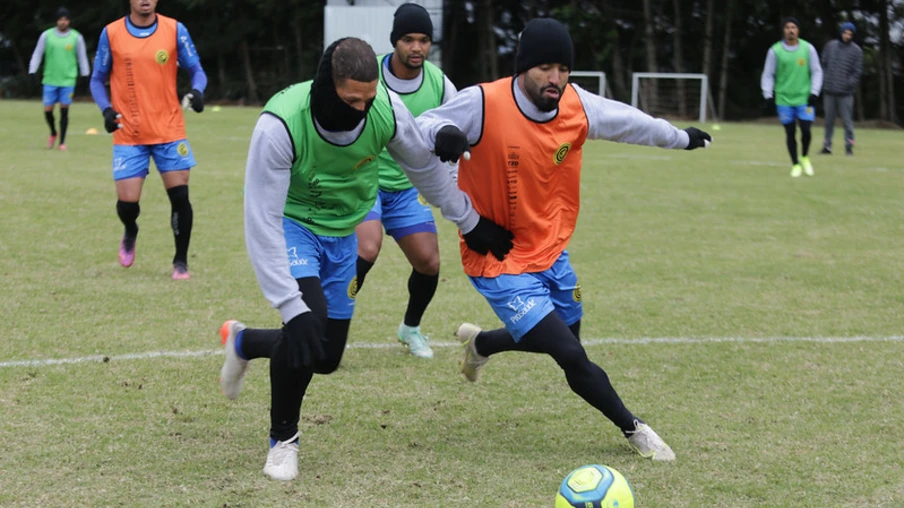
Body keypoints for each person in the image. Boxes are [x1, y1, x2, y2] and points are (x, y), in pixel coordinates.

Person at [415, 18, 713, 462]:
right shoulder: (483, 102)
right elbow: (421, 125)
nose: (555, 78)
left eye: (562, 68)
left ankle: (482, 344)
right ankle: (635, 429)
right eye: (544, 68)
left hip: (552, 251)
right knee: (570, 353)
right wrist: (442, 134)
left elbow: (632, 122)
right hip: (497, 257)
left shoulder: (577, 105)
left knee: (557, 336)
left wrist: (681, 138)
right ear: (522, 68)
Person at [217, 37, 511, 481]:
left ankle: (243, 342)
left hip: (345, 231)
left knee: (327, 356)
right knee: (306, 323)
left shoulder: (383, 108)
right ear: (326, 86)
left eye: (367, 99)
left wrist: (468, 221)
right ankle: (283, 440)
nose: (360, 109)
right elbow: (261, 220)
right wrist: (288, 304)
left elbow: (423, 165)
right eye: (351, 99)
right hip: (295, 225)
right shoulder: (280, 124)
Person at [354, 3, 458, 359]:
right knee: (366, 249)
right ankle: (328, 321)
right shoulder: (369, 74)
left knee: (429, 263)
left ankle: (410, 328)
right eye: (409, 39)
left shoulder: (440, 83)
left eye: (424, 40)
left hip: (407, 187)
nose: (417, 48)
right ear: (394, 41)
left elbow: (457, 130)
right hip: (364, 179)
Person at [90, 0, 207, 280]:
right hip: (129, 132)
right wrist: (106, 110)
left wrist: (198, 91)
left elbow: (197, 70)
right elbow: (97, 79)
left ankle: (180, 261)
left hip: (169, 130)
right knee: (128, 205)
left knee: (180, 197)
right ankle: (131, 229)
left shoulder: (175, 30)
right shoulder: (112, 33)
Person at [761, 17, 823, 178]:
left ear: (798, 30)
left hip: (804, 99)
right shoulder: (775, 51)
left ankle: (805, 157)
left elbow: (817, 71)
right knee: (790, 132)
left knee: (806, 130)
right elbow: (768, 74)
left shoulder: (808, 49)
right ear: (783, 30)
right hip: (784, 100)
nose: (791, 30)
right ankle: (795, 164)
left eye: (794, 27)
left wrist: (815, 92)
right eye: (788, 27)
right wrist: (768, 95)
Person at [28, 7, 90, 151]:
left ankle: (62, 142)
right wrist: (32, 70)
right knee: (48, 110)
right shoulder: (47, 36)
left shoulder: (76, 37)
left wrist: (85, 74)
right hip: (50, 78)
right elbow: (38, 53)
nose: (63, 22)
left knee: (64, 110)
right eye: (61, 19)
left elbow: (82, 57)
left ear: (69, 21)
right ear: (57, 20)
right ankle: (53, 132)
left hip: (68, 80)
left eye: (66, 19)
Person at [820, 21, 863, 156]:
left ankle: (849, 147)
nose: (847, 36)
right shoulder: (830, 46)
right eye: (845, 33)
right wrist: (825, 80)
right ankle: (827, 146)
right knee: (828, 121)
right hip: (829, 90)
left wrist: (848, 84)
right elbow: (823, 64)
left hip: (846, 93)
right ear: (841, 32)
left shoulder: (857, 51)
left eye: (850, 34)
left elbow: (857, 72)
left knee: (847, 121)